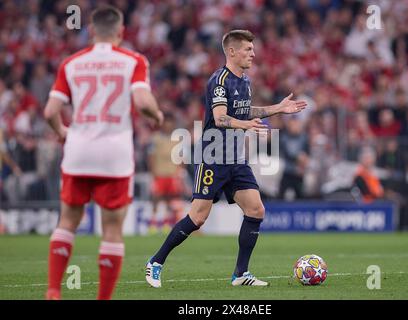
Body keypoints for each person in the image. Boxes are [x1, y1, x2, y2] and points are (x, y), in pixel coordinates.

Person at [145, 30, 307, 288]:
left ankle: (241, 274)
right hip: (213, 157)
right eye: (247, 49)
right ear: (231, 52)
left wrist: (277, 108)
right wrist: (245, 125)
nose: (253, 53)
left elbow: (245, 110)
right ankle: (155, 262)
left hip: (236, 158)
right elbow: (220, 117)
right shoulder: (218, 80)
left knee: (256, 209)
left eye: (253, 49)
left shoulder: (245, 81)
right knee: (198, 218)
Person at [43, 5, 163, 300]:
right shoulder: (133, 60)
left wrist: (61, 132)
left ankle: (54, 290)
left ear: (92, 31)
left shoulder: (71, 63)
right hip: (115, 154)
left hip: (78, 150)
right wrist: (156, 115)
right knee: (111, 228)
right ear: (121, 33)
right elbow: (142, 101)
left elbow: (50, 112)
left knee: (67, 221)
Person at [147, 113, 185, 234]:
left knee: (170, 199)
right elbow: (151, 156)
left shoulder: (178, 139)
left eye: (170, 123)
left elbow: (182, 157)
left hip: (172, 174)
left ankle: (166, 224)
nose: (168, 125)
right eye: (166, 122)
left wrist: (179, 172)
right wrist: (153, 172)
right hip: (159, 174)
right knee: (156, 199)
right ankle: (153, 224)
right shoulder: (155, 138)